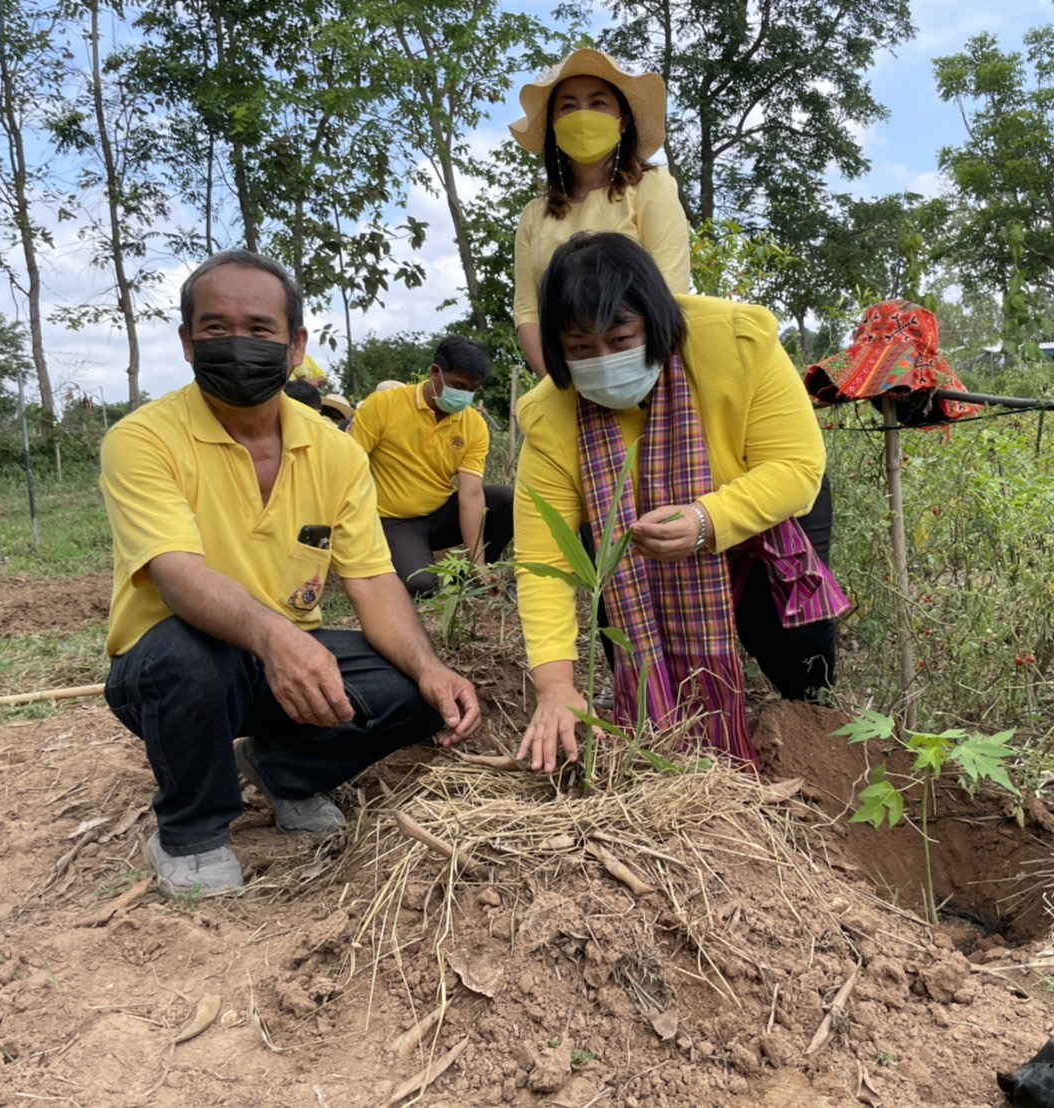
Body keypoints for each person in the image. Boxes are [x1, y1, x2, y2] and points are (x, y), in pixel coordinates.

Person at [99, 250, 481, 899]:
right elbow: (176, 573)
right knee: (189, 658)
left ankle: (283, 770)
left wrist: (431, 668)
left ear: (295, 345)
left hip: (283, 660)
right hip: (173, 666)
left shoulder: (334, 450)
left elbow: (373, 582)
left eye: (259, 328)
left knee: (413, 689)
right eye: (216, 328)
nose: (238, 344)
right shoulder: (143, 440)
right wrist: (278, 639)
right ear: (187, 342)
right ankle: (192, 832)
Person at [514, 233, 850, 774]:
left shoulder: (736, 343)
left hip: (763, 507)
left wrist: (704, 519)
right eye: (580, 349)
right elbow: (543, 561)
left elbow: (795, 466)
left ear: (655, 322)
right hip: (636, 543)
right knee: (620, 607)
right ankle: (665, 735)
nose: (604, 362)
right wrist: (555, 686)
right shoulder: (549, 416)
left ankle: (813, 724)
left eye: (621, 339)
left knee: (787, 634)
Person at [509, 48, 690, 380]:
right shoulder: (534, 216)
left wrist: (637, 374)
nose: (582, 115)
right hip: (567, 377)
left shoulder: (652, 187)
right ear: (553, 125)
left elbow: (670, 288)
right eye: (568, 106)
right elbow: (527, 310)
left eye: (598, 103)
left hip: (647, 372)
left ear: (623, 121)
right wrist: (556, 386)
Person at [350, 337, 513, 595]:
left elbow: (471, 494)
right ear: (435, 372)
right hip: (395, 520)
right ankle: (411, 562)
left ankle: (471, 580)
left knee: (509, 500)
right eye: (458, 386)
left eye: (472, 390)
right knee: (420, 586)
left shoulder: (473, 425)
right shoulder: (383, 406)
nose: (464, 396)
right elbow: (348, 466)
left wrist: (478, 563)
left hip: (441, 513)